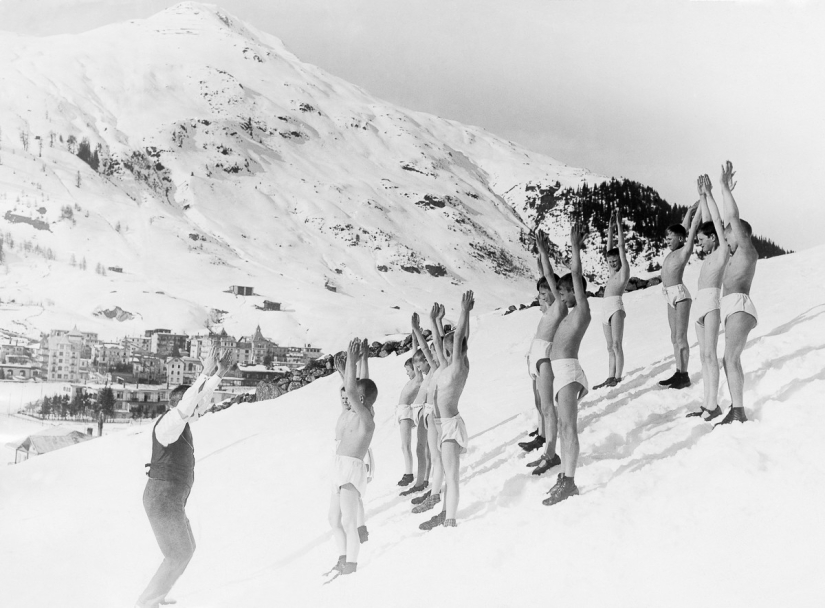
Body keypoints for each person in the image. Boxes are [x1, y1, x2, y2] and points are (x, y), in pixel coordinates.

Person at [136, 346, 231, 608]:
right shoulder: (169, 424)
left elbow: (198, 400)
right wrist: (204, 373)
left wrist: (218, 375)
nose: (199, 408)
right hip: (161, 499)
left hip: (171, 498)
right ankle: (146, 602)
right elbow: (190, 403)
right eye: (193, 405)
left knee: (185, 550)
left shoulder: (183, 424)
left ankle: (155, 596)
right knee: (178, 553)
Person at [543, 222, 591, 506]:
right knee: (563, 426)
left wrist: (575, 247)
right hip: (561, 371)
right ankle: (564, 475)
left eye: (565, 291)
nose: (561, 294)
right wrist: (543, 253)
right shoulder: (568, 313)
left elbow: (575, 274)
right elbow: (553, 281)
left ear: (577, 291)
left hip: (569, 371)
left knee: (569, 427)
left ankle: (570, 482)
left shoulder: (582, 310)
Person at [420, 291, 474, 529]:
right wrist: (434, 322)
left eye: (447, 349)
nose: (443, 352)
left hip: (450, 426)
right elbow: (443, 340)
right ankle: (444, 512)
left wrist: (464, 311)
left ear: (457, 351)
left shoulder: (458, 368)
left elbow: (461, 335)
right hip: (442, 425)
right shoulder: (445, 365)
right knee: (445, 472)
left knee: (451, 476)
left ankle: (450, 519)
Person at [326, 338, 378, 579]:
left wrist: (353, 361)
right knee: (333, 519)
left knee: (349, 521)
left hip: (350, 469)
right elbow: (355, 388)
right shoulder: (352, 412)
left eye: (356, 395)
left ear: (362, 400)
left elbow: (354, 389)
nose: (349, 397)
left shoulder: (367, 419)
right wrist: (347, 369)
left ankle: (352, 563)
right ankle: (343, 556)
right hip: (339, 466)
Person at [715, 160, 758, 425]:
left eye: (728, 235)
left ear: (739, 235)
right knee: (729, 360)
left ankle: (738, 411)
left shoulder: (746, 250)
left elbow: (732, 217)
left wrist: (724, 188)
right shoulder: (732, 255)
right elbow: (724, 221)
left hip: (740, 306)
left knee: (730, 358)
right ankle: (736, 408)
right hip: (731, 306)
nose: (726, 239)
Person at [523, 230, 567, 476]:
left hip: (546, 357)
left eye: (544, 293)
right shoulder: (548, 309)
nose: (540, 297)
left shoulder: (559, 306)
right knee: (542, 404)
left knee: (549, 407)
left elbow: (549, 276)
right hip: (538, 356)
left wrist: (544, 252)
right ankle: (547, 447)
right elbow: (544, 277)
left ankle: (551, 453)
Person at [686, 174, 729, 421]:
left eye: (702, 240)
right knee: (703, 357)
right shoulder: (710, 252)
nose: (699, 244)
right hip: (700, 305)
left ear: (713, 238)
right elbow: (706, 221)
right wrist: (701, 196)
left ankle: (714, 406)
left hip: (712, 303)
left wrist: (710, 194)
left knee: (711, 355)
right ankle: (706, 404)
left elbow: (715, 223)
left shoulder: (721, 251)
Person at [658, 202, 702, 390]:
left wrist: (702, 203)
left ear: (681, 239)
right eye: (666, 238)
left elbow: (691, 229)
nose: (667, 241)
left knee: (681, 337)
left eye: (670, 238)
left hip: (680, 296)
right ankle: (678, 372)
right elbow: (682, 228)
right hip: (669, 296)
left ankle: (684, 376)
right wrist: (689, 211)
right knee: (674, 338)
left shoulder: (684, 251)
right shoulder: (673, 251)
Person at [410, 305, 447, 515]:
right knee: (432, 454)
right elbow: (427, 347)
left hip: (435, 415)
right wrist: (421, 328)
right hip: (428, 415)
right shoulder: (435, 369)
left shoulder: (442, 368)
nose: (431, 353)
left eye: (434, 351)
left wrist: (431, 324)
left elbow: (433, 346)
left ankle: (434, 494)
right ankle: (433, 489)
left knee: (436, 456)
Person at [594, 209, 630, 389]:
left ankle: (618, 377)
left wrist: (619, 226)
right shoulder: (611, 271)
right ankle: (610, 377)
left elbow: (620, 248)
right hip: (605, 308)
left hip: (616, 306)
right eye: (610, 261)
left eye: (615, 261)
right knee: (609, 346)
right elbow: (609, 249)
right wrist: (609, 228)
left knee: (616, 344)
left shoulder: (623, 271)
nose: (613, 263)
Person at [396, 327, 423, 486]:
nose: (407, 373)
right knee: (404, 445)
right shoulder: (412, 380)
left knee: (405, 446)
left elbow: (415, 357)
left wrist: (414, 339)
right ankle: (408, 472)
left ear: (415, 368)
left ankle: (408, 473)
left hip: (406, 413)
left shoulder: (417, 379)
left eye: (408, 370)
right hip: (403, 412)